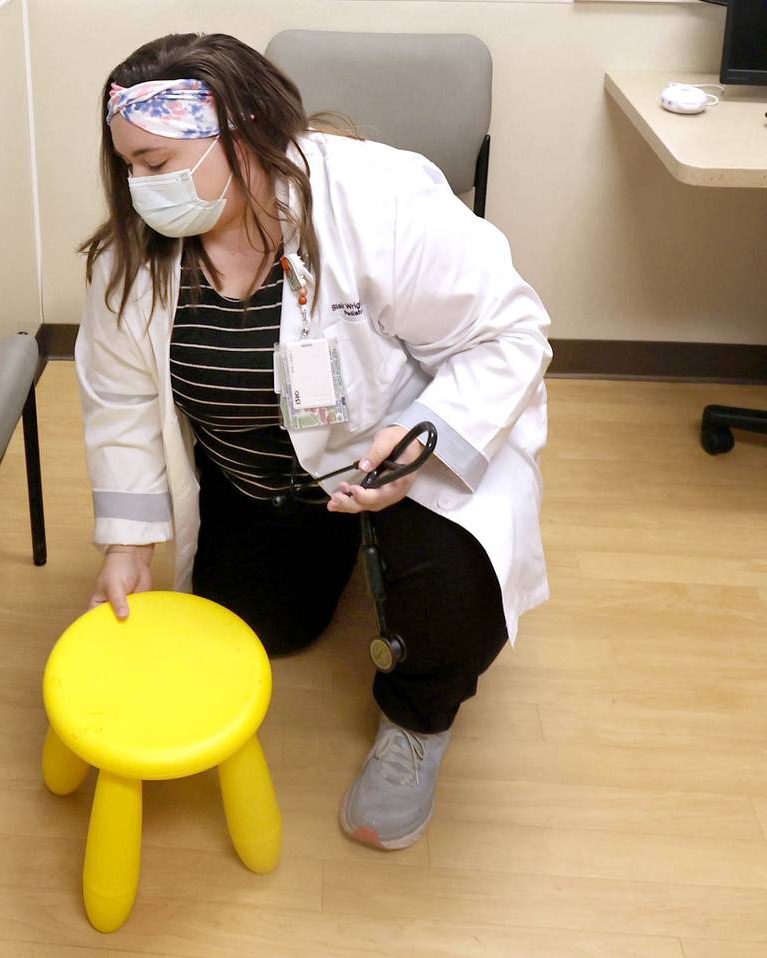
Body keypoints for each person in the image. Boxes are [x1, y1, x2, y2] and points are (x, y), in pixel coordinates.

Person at [76, 33, 551, 850]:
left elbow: (510, 334)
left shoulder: (379, 200)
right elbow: (117, 398)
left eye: (158, 163)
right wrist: (128, 544)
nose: (140, 188)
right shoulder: (136, 257)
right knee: (268, 631)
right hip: (262, 479)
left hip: (401, 453)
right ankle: (332, 555)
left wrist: (421, 438)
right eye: (128, 166)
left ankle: (418, 724)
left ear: (247, 130)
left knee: (455, 587)